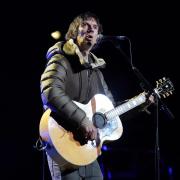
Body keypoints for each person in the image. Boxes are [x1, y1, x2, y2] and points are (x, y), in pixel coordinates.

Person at [40, 11, 153, 180]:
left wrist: (141, 103)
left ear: (98, 36)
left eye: (94, 27)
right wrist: (83, 120)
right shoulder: (61, 59)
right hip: (63, 146)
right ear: (73, 32)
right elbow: (50, 91)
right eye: (85, 26)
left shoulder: (97, 71)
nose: (91, 30)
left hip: (87, 151)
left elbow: (109, 112)